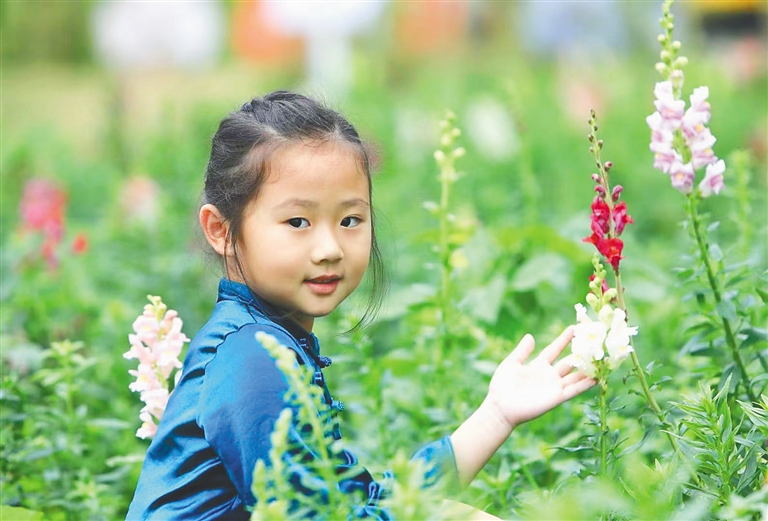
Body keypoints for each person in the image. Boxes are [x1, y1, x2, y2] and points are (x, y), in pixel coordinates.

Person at [126, 91, 595, 520]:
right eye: (298, 222)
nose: (330, 248)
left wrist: (496, 414)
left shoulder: (262, 339)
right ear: (221, 230)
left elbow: (356, 503)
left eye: (350, 220)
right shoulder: (250, 358)